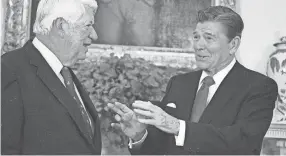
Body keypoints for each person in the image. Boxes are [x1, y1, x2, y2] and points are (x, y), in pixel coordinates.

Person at [107, 6, 278, 155]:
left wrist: (177, 127)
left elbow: (243, 143)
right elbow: (160, 148)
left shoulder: (259, 86)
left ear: (233, 45)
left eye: (208, 38)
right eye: (196, 37)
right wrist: (139, 135)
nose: (198, 45)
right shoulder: (179, 83)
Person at [1, 0, 101, 154]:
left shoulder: (64, 73)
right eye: (87, 26)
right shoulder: (9, 70)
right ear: (61, 26)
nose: (94, 35)